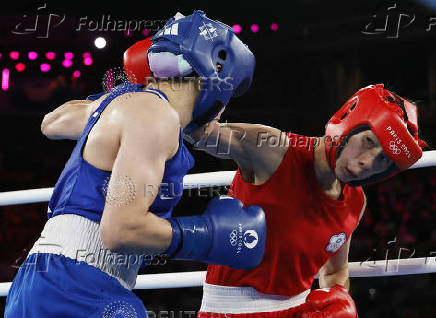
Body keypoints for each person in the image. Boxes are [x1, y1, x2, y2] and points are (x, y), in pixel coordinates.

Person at [4, 11, 266, 317]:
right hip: (77, 285)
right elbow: (121, 230)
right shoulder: (155, 115)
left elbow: (52, 123)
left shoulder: (129, 105)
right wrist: (205, 235)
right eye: (230, 91)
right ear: (217, 70)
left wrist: (123, 96)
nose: (223, 108)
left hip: (51, 280)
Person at [182, 84, 427, 317]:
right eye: (369, 141)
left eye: (383, 160)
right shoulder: (274, 151)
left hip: (300, 310)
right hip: (231, 311)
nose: (368, 163)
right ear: (349, 122)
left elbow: (335, 270)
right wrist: (215, 84)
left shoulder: (355, 201)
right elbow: (199, 133)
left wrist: (339, 299)